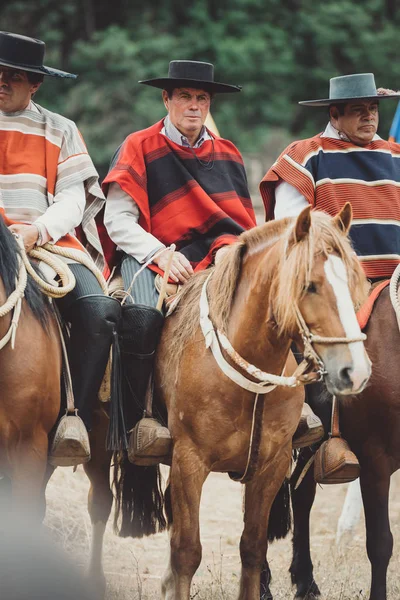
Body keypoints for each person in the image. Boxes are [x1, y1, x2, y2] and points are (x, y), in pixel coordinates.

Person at [103, 60, 257, 462]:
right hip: (153, 252)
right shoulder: (138, 144)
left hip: (219, 255)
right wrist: (160, 255)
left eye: (202, 98)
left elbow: (238, 222)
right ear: (166, 99)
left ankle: (288, 416)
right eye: (185, 96)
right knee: (140, 317)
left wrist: (231, 248)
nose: (194, 105)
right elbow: (117, 221)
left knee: (270, 305)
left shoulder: (228, 152)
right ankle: (138, 422)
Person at [260, 72, 400, 478]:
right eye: (359, 110)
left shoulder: (395, 156)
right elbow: (292, 228)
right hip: (335, 281)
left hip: (396, 282)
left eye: (373, 109)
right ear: (335, 114)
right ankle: (323, 433)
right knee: (316, 339)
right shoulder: (306, 155)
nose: (369, 117)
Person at [0, 31, 121, 466]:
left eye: (14, 75)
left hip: (45, 246)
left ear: (36, 83)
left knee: (99, 311)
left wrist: (36, 232)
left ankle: (75, 418)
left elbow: (72, 199)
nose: (2, 80)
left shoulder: (60, 129)